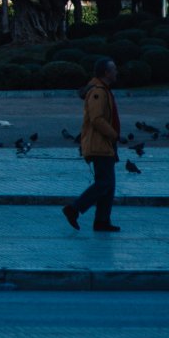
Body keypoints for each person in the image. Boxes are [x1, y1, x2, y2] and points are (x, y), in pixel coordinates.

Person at [63, 58, 123, 233]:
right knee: (104, 183)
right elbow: (97, 119)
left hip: (105, 144)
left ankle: (102, 221)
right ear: (106, 73)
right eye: (114, 69)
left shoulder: (103, 90)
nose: (117, 72)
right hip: (99, 144)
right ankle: (74, 209)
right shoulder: (98, 92)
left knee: (108, 185)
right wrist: (114, 134)